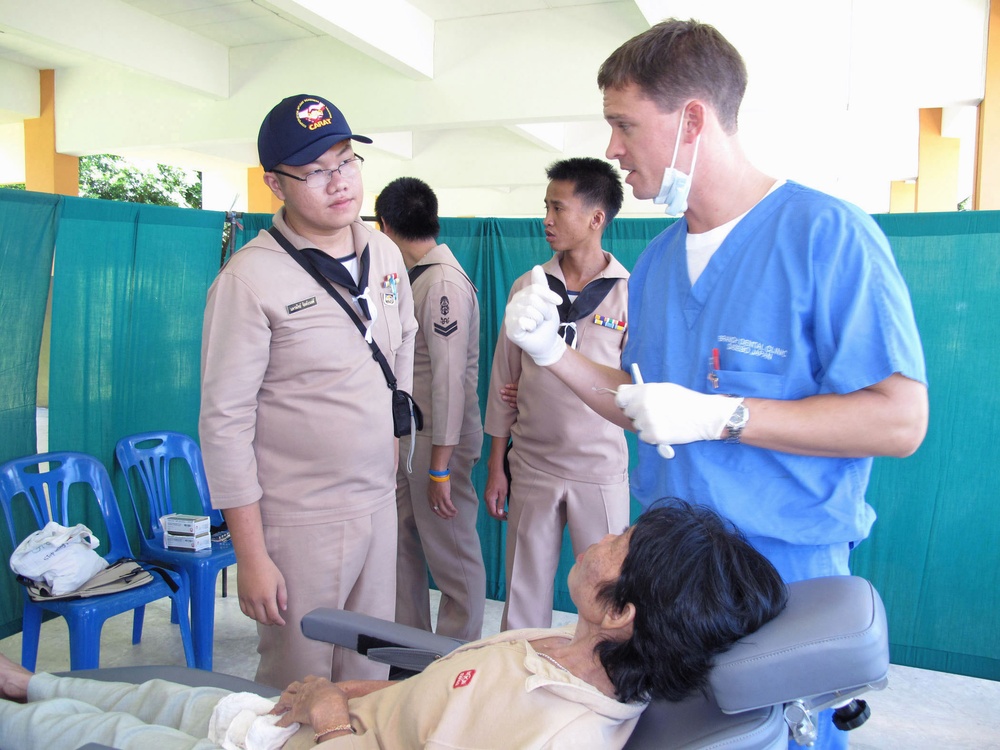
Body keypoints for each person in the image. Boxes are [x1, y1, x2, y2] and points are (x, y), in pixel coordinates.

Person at [503, 20, 928, 749]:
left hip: (785, 583)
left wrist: (725, 415)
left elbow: (899, 422)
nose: (612, 149)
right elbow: (647, 409)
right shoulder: (662, 263)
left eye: (624, 125)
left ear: (692, 120)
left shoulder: (827, 236)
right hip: (667, 583)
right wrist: (552, 353)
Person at [0, 501, 788, 750]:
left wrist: (330, 718)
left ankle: (34, 704)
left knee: (74, 730)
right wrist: (333, 696)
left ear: (621, 613)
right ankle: (31, 679)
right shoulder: (558, 647)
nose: (601, 537)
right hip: (297, 726)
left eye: (622, 545)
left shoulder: (554, 736)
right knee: (158, 696)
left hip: (310, 741)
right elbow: (447, 688)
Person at [198, 94, 417, 689]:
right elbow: (224, 424)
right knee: (300, 688)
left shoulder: (386, 254)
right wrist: (251, 555)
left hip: (377, 503)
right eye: (315, 170)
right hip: (300, 524)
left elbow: (401, 351)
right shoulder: (250, 280)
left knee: (368, 678)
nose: (339, 182)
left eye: (346, 161)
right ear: (275, 183)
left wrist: (392, 449)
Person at [483, 157, 630, 630]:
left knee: (609, 595)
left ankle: (604, 685)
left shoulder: (628, 294)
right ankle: (517, 684)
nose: (546, 219)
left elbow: (635, 385)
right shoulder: (529, 286)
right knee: (524, 590)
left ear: (595, 218)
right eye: (545, 206)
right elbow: (503, 377)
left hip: (600, 469)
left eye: (558, 208)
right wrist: (496, 465)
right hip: (533, 464)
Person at [374, 177, 487, 641]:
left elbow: (449, 382)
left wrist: (440, 467)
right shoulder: (413, 276)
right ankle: (410, 652)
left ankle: (458, 658)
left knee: (453, 553)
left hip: (440, 443)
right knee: (402, 547)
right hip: (412, 439)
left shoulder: (441, 283)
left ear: (384, 226)